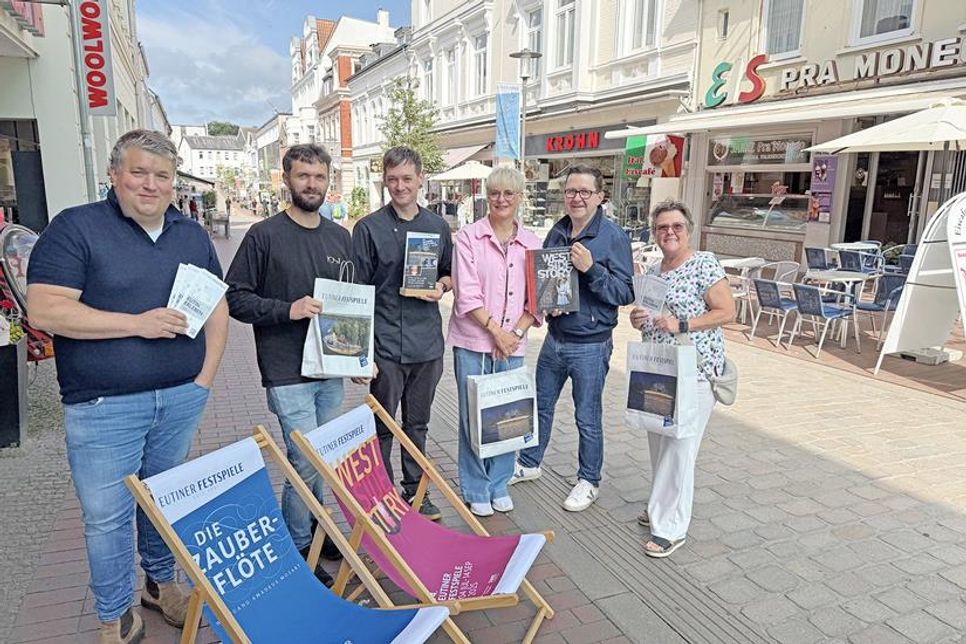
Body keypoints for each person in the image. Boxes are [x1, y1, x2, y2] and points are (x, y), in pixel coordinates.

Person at [26, 129, 229, 644]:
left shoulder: (190, 233)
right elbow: (46, 310)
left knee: (163, 502)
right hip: (102, 405)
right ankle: (114, 615)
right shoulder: (76, 228)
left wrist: (203, 381)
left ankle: (161, 586)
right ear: (114, 175)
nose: (150, 184)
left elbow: (217, 307)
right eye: (138, 172)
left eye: (162, 175)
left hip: (181, 395)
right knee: (107, 517)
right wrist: (135, 323)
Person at [225, 144, 354, 585]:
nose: (311, 184)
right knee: (305, 462)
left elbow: (348, 307)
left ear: (328, 181)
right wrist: (287, 309)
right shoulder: (263, 235)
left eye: (319, 177)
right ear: (286, 179)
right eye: (303, 176)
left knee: (327, 459)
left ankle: (317, 525)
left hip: (330, 369)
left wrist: (356, 356)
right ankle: (297, 544)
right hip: (287, 369)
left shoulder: (340, 237)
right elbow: (235, 298)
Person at [510, 164, 634, 512]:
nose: (577, 198)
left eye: (584, 192)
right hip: (555, 338)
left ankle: (589, 480)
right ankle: (530, 462)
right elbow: (547, 282)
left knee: (587, 416)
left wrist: (591, 269)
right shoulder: (557, 232)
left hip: (591, 344)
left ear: (599, 196)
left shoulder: (612, 237)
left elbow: (625, 293)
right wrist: (548, 305)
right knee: (541, 406)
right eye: (571, 191)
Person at [629, 200, 735, 558]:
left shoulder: (704, 263)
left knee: (679, 448)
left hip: (695, 372)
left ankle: (671, 527)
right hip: (659, 368)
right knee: (659, 441)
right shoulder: (655, 269)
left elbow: (726, 311)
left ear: (688, 229)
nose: (668, 232)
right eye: (661, 227)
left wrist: (682, 324)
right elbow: (652, 317)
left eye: (675, 226)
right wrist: (638, 318)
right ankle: (661, 504)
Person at [352, 146, 453, 520]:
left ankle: (417, 493)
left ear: (420, 179)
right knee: (382, 426)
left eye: (407, 179)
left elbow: (448, 272)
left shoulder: (438, 226)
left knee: (418, 425)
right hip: (386, 348)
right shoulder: (368, 229)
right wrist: (363, 353)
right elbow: (358, 295)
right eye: (392, 179)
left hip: (427, 344)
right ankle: (383, 495)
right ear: (384, 180)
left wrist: (442, 287)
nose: (400, 186)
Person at [447, 167, 541, 517]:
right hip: (473, 340)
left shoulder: (532, 242)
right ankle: (475, 486)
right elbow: (467, 294)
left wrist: (513, 334)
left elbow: (539, 297)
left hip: (513, 341)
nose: (501, 200)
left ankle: (499, 481)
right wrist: (496, 332)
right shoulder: (469, 237)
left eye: (509, 194)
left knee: (508, 415)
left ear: (520, 198)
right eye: (495, 193)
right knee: (473, 415)